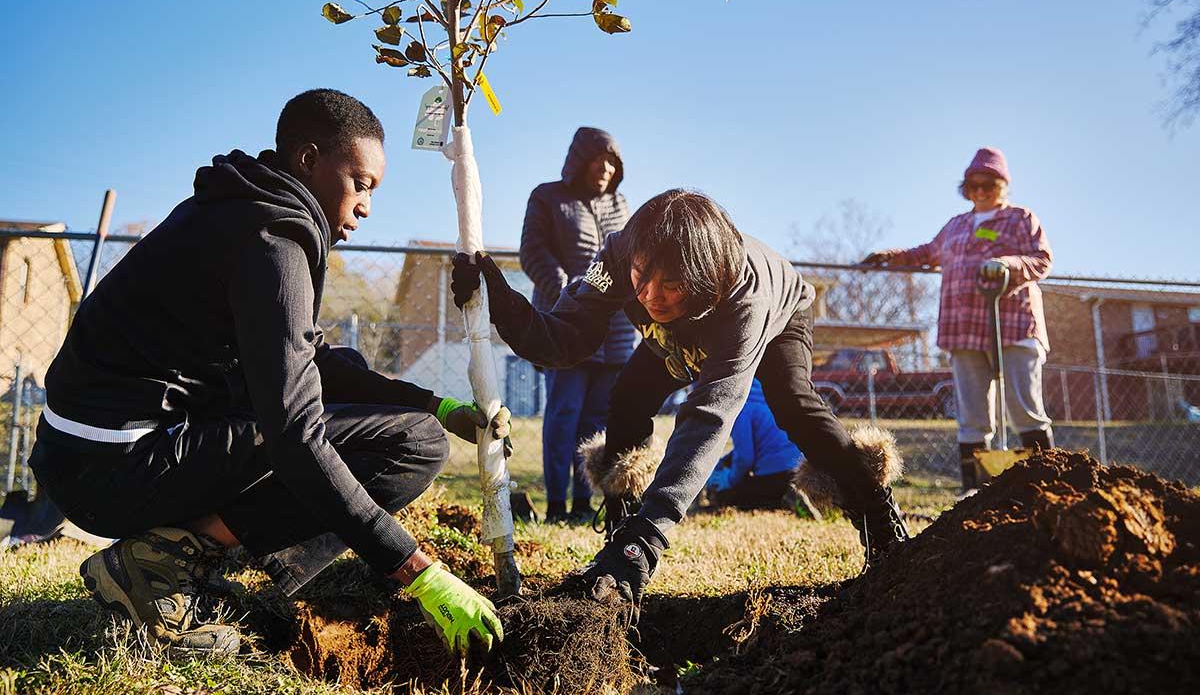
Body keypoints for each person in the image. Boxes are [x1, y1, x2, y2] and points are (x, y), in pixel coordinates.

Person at [29, 89, 506, 656]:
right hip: (115, 465)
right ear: (308, 160)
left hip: (83, 454)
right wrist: (414, 568)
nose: (367, 207)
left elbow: (309, 356)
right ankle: (161, 562)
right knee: (411, 445)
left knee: (413, 424)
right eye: (361, 183)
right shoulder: (271, 242)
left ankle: (176, 550)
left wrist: (433, 403)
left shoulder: (244, 210)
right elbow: (296, 437)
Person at [452, 189, 908, 609]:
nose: (650, 296)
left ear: (703, 278)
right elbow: (566, 339)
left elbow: (709, 417)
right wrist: (502, 303)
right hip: (683, 330)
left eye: (670, 284)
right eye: (641, 279)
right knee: (629, 395)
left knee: (792, 404)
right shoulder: (618, 257)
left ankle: (878, 519)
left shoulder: (743, 298)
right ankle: (620, 529)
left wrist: (652, 535)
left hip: (779, 316)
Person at [862, 147, 1054, 492]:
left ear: (1003, 185)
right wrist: (889, 257)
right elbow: (925, 253)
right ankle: (975, 493)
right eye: (973, 185)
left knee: (1024, 407)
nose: (980, 192)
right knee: (972, 416)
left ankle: (1046, 487)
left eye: (989, 185)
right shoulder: (956, 226)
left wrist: (1008, 265)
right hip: (962, 330)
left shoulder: (1021, 218)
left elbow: (1041, 260)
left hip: (1011, 324)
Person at [519, 127, 637, 523]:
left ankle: (586, 503)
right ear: (580, 159)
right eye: (599, 159)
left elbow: (630, 261)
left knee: (596, 422)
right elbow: (533, 251)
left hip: (614, 332)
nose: (606, 168)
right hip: (565, 325)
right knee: (563, 416)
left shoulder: (621, 206)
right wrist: (569, 289)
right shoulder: (549, 197)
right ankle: (556, 504)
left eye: (613, 162)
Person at [703, 379, 806, 511]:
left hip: (773, 475)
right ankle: (790, 496)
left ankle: (783, 501)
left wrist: (729, 480)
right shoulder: (772, 399)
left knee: (727, 497)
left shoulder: (741, 409)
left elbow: (745, 458)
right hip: (798, 471)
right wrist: (725, 460)